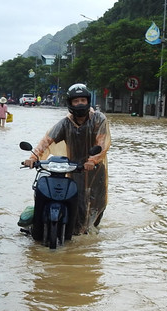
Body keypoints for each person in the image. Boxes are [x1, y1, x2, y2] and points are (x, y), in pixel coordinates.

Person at [22, 83, 111, 233]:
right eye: (76, 101)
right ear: (70, 103)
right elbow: (46, 141)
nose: (80, 104)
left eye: (83, 100)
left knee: (96, 204)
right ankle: (72, 232)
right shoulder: (65, 123)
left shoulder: (98, 119)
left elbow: (102, 143)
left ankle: (91, 236)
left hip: (95, 169)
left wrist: (92, 160)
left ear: (88, 101)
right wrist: (33, 157)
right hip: (75, 170)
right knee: (78, 204)